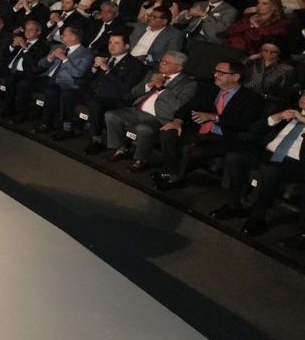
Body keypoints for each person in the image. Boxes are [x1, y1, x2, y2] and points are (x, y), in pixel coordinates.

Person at [153, 59, 263, 191]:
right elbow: (189, 106)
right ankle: (169, 171)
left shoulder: (252, 98)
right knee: (168, 131)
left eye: (221, 73)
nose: (215, 75)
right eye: (215, 71)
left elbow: (243, 123)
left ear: (236, 77)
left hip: (225, 137)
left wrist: (214, 117)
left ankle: (175, 178)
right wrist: (178, 121)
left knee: (195, 151)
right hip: (200, 130)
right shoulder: (209, 89)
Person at [212, 92, 305, 245]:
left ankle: (258, 217)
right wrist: (275, 118)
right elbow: (254, 128)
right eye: (303, 94)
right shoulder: (290, 110)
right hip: (269, 152)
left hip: (297, 163)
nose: (303, 97)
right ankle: (235, 205)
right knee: (235, 156)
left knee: (269, 170)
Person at [104, 51, 198, 173]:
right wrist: (149, 85)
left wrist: (161, 88)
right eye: (162, 61)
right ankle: (121, 148)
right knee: (111, 115)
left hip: (159, 117)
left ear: (179, 67)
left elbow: (177, 106)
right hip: (138, 110)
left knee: (143, 129)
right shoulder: (153, 73)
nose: (162, 64)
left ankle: (141, 160)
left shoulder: (188, 84)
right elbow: (134, 92)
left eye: (167, 62)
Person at [82, 33, 148, 155]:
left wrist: (107, 70)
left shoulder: (135, 64)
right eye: (110, 42)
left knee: (95, 104)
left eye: (117, 43)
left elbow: (125, 88)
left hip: (115, 99)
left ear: (127, 46)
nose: (112, 46)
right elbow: (86, 79)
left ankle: (96, 139)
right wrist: (95, 68)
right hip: (95, 92)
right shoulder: (104, 57)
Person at [222, 0, 293, 55]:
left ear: (274, 7)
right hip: (233, 46)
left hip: (255, 51)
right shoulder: (250, 16)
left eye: (264, 4)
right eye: (258, 3)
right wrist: (248, 25)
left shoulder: (282, 22)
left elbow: (269, 37)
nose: (259, 6)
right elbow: (230, 31)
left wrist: (257, 26)